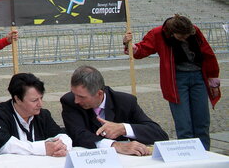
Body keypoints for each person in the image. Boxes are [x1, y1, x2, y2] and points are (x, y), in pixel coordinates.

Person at [123, 14, 220, 149]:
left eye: (187, 36)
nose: (185, 38)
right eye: (182, 36)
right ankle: (187, 155)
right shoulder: (158, 33)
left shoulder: (194, 31)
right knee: (183, 123)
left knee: (202, 121)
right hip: (176, 81)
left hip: (198, 77)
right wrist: (130, 45)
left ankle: (205, 154)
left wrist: (213, 79)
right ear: (172, 33)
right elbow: (142, 49)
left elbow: (208, 54)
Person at [60, 65, 168, 156]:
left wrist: (124, 128)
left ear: (99, 93)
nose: (76, 100)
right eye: (74, 94)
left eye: (81, 97)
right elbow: (79, 135)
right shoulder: (69, 102)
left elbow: (159, 134)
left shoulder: (125, 102)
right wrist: (115, 145)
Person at [0, 73, 72, 156]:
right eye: (34, 100)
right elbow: (4, 146)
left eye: (41, 98)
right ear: (17, 99)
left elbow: (62, 135)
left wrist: (62, 146)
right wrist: (42, 148)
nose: (40, 104)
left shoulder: (42, 115)